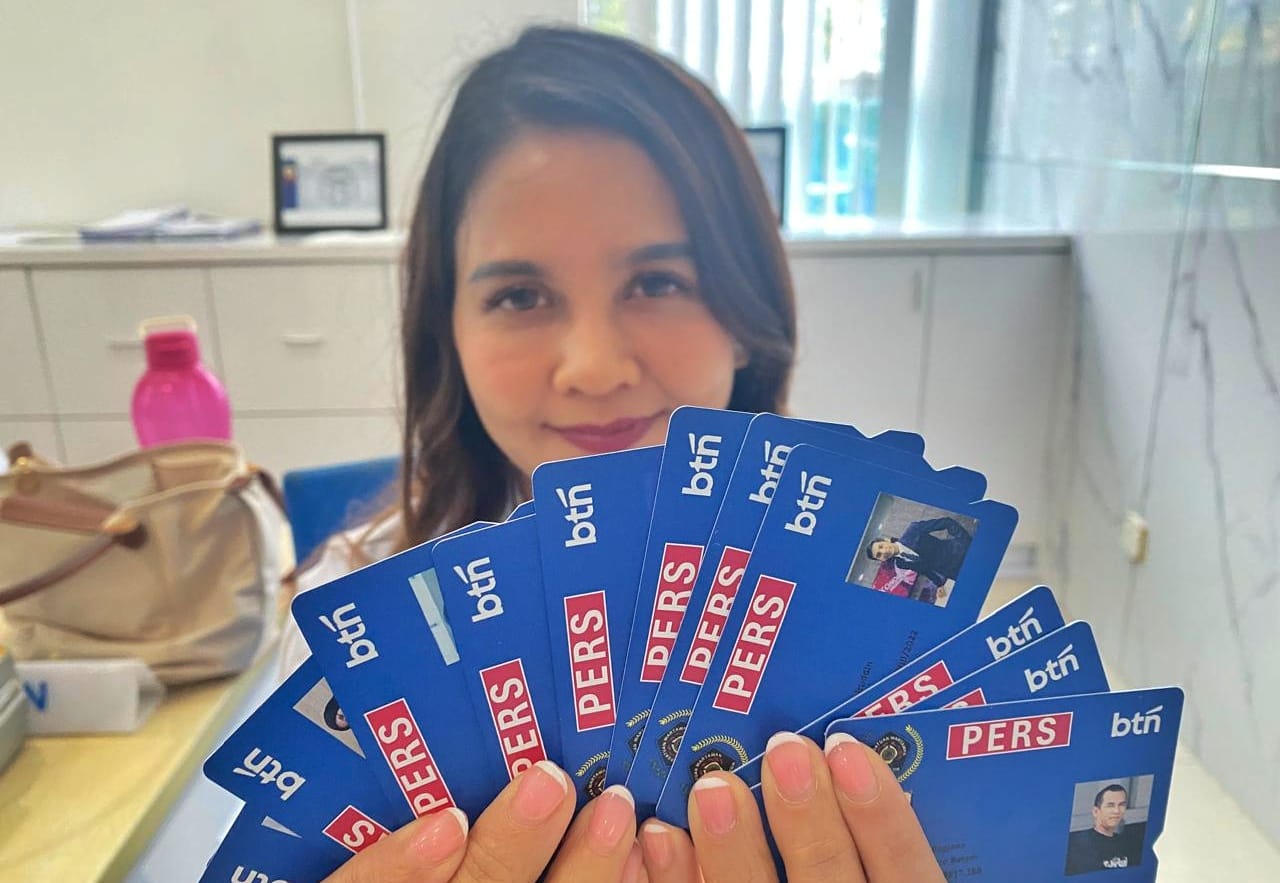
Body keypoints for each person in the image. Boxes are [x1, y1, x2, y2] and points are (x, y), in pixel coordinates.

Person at [289, 24, 945, 882]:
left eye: (658, 283)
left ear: (747, 316)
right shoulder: (340, 624)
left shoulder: (899, 614)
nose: (594, 367)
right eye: (520, 295)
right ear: (446, 331)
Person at [866, 515, 974, 590]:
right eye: (879, 555)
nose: (884, 551)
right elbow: (925, 570)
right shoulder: (900, 564)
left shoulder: (913, 530)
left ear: (886, 540)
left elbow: (946, 522)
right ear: (881, 560)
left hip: (963, 552)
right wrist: (939, 584)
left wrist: (964, 540)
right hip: (954, 573)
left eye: (881, 546)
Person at [1064, 784, 1146, 875]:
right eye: (1110, 805)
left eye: (1121, 805)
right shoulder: (1076, 844)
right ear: (1096, 811)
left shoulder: (1130, 845)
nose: (1117, 811)